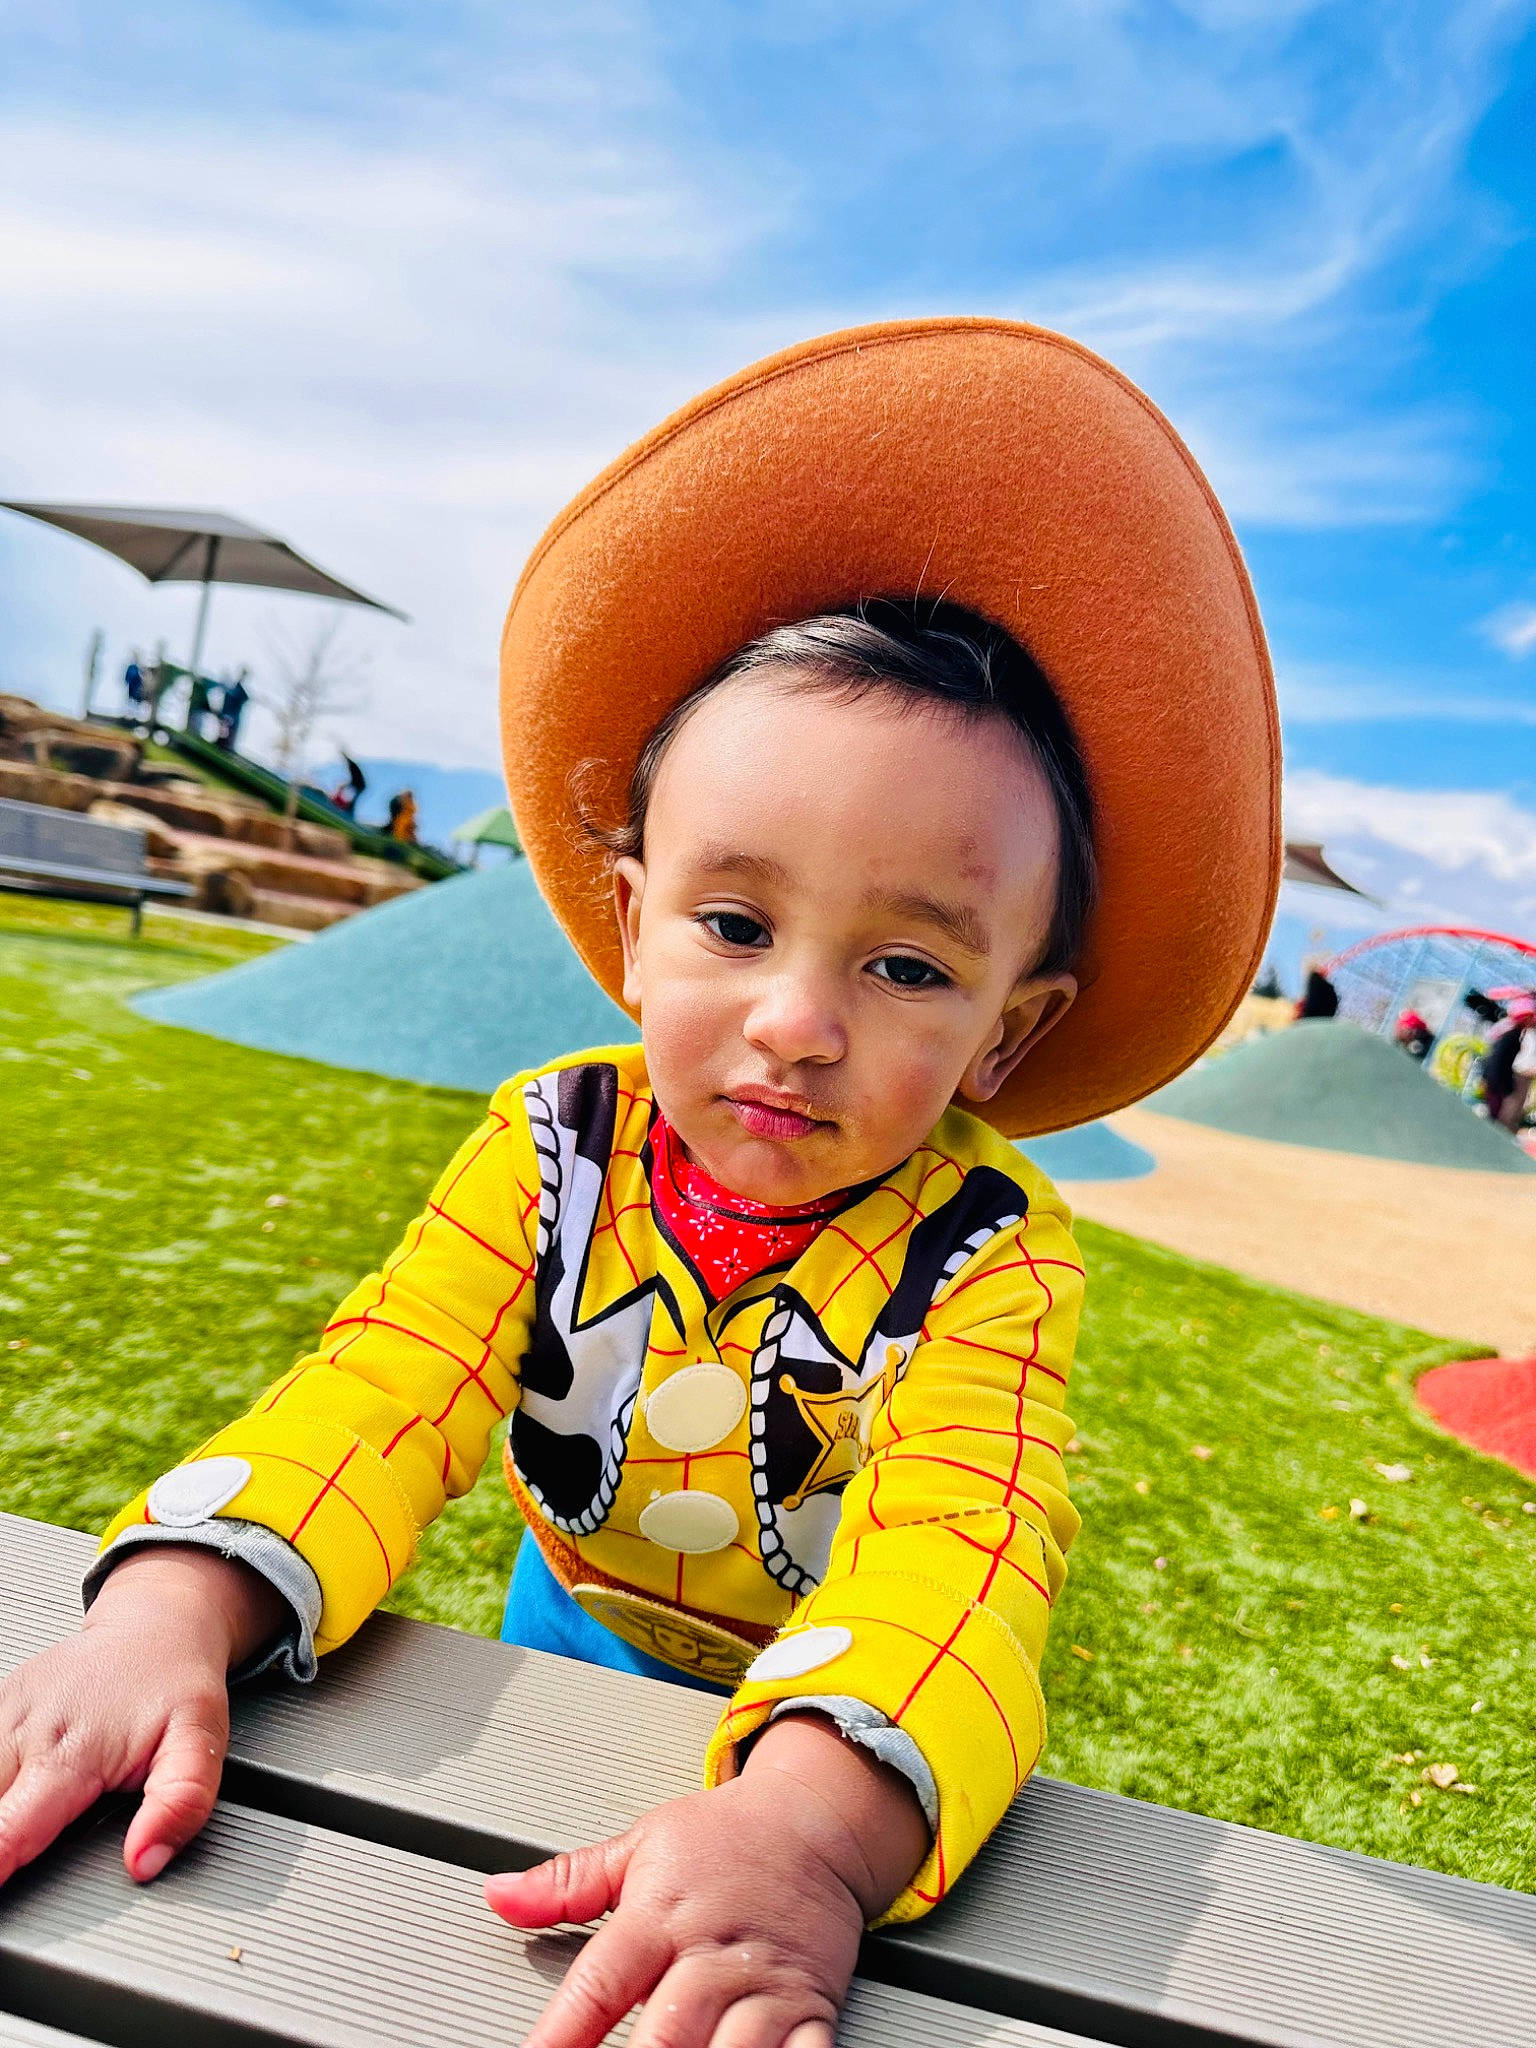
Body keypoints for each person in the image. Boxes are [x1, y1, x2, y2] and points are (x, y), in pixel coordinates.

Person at [0, 321, 1280, 2047]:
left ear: (1005, 1031)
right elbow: (388, 1385)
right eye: (736, 925)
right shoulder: (555, 1140)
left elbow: (955, 1559)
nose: (797, 1022)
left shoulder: (987, 1254)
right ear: (629, 918)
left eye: (908, 968)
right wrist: (169, 1602)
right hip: (564, 1633)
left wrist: (806, 1839)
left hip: (838, 1719)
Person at [216, 670, 251, 750]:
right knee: (221, 742)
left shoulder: (241, 692)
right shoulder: (232, 688)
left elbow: (245, 698)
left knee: (226, 745)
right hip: (226, 719)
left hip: (231, 721)